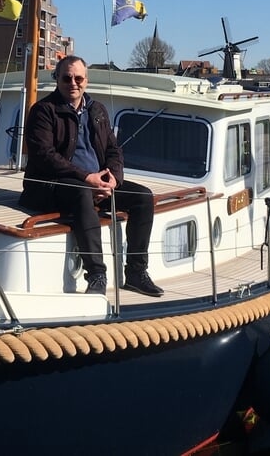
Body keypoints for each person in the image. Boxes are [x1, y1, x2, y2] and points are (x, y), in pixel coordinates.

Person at [19, 56, 163, 297]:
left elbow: (112, 149)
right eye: (66, 78)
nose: (73, 83)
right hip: (51, 186)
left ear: (86, 80)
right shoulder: (44, 111)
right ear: (57, 79)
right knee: (81, 193)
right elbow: (46, 156)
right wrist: (88, 178)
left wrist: (113, 179)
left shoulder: (97, 110)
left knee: (143, 197)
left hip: (95, 182)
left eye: (78, 78)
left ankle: (136, 273)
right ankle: (96, 274)